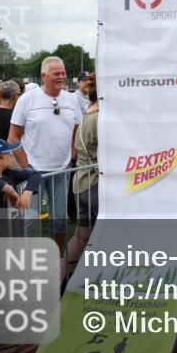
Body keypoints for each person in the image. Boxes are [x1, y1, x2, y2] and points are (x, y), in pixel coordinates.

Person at [8, 57, 82, 248]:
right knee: (30, 221)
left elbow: (77, 131)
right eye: (56, 73)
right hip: (33, 171)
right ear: (44, 76)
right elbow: (13, 137)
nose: (62, 77)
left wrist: (72, 157)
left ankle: (57, 258)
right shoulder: (27, 99)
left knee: (59, 220)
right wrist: (26, 167)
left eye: (63, 73)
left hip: (61, 171)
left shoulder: (71, 100)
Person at [0, 137, 41, 238]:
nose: (11, 155)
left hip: (15, 230)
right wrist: (11, 191)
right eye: (8, 154)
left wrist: (26, 194)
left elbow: (35, 174)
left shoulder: (9, 174)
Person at [67, 73, 99, 281]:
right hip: (96, 185)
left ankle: (61, 278)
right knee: (100, 238)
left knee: (81, 236)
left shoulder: (87, 115)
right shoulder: (100, 119)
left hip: (81, 185)